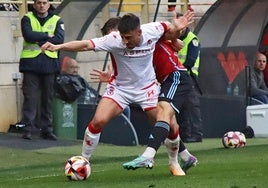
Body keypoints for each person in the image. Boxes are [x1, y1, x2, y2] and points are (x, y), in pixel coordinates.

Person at [41, 11, 194, 175]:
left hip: (147, 89)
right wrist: (58, 47)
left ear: (139, 32)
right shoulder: (114, 39)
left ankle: (174, 163)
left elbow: (169, 32)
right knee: (98, 121)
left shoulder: (154, 29)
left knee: (169, 124)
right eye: (122, 37)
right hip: (120, 89)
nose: (124, 41)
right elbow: (85, 44)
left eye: (128, 37)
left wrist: (176, 34)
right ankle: (84, 160)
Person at [90, 17, 197, 175]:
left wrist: (175, 38)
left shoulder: (149, 37)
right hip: (163, 80)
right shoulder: (124, 46)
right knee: (162, 121)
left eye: (122, 36)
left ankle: (154, 157)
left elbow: (170, 39)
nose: (121, 41)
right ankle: (185, 156)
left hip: (175, 77)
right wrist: (112, 76)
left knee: (165, 119)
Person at [18, 0, 64, 140]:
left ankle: (47, 129)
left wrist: (39, 37)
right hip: (31, 63)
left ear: (49, 4)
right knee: (30, 97)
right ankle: (28, 128)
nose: (42, 5)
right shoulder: (27, 18)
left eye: (44, 2)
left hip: (49, 64)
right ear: (34, 4)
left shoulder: (57, 19)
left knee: (47, 98)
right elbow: (28, 35)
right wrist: (47, 35)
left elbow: (60, 39)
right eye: (39, 3)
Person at [175, 12, 203, 143]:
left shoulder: (192, 40)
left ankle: (196, 134)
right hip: (175, 76)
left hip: (188, 76)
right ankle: (184, 135)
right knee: (179, 107)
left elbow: (190, 61)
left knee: (191, 106)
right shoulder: (171, 39)